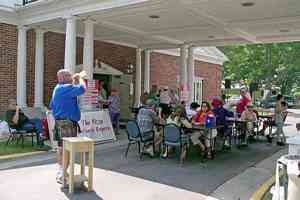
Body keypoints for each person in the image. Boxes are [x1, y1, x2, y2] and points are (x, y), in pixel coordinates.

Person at [50, 69, 86, 184]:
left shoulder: (58, 88)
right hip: (67, 123)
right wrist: (79, 78)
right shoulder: (66, 88)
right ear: (63, 78)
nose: (71, 76)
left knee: (61, 149)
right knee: (67, 150)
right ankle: (63, 175)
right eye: (69, 75)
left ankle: (61, 172)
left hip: (60, 122)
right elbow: (82, 89)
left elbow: (51, 105)